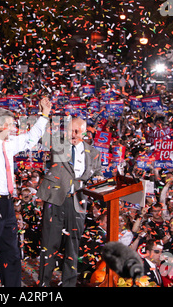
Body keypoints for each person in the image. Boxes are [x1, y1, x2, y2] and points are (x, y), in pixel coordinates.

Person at [0, 97, 52, 287]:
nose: (14, 128)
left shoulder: (10, 143)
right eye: (11, 124)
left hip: (7, 204)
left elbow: (32, 137)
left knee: (11, 251)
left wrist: (44, 114)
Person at [37, 117, 102, 287]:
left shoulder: (94, 153)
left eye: (76, 131)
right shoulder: (58, 145)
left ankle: (68, 284)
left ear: (84, 132)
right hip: (55, 201)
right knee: (49, 245)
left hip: (78, 203)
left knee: (73, 247)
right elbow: (42, 134)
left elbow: (98, 174)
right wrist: (44, 114)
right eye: (70, 130)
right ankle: (43, 285)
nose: (73, 135)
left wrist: (99, 179)